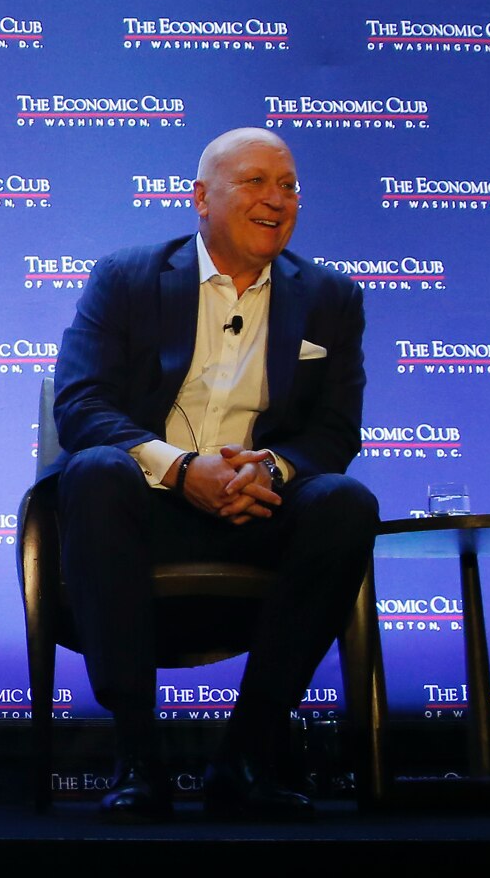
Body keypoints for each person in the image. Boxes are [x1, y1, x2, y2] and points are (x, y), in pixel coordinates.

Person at [49, 129, 374, 821]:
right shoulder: (127, 278)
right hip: (145, 510)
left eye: (287, 185)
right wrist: (182, 470)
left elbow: (335, 431)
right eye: (255, 181)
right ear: (200, 198)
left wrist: (273, 471)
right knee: (96, 473)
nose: (276, 198)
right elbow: (81, 405)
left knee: (345, 502)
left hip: (256, 512)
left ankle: (248, 753)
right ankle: (138, 756)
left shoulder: (329, 298)